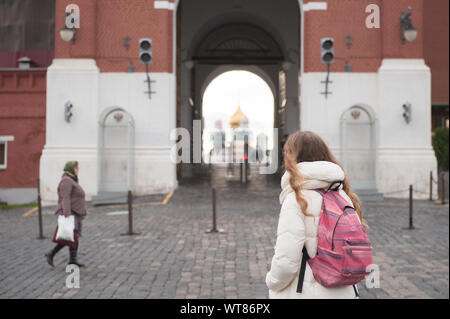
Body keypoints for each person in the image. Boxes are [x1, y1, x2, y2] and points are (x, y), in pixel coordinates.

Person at [265, 131, 367, 298]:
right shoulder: (342, 195)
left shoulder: (297, 199)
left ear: (292, 158)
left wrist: (272, 281)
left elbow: (286, 262)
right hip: (344, 290)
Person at [45, 161, 87, 267]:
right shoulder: (66, 181)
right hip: (69, 213)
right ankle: (51, 253)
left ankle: (72, 260)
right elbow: (65, 197)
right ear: (70, 168)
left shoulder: (71, 179)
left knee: (72, 236)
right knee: (68, 236)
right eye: (76, 168)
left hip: (74, 213)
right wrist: (67, 213)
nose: (77, 170)